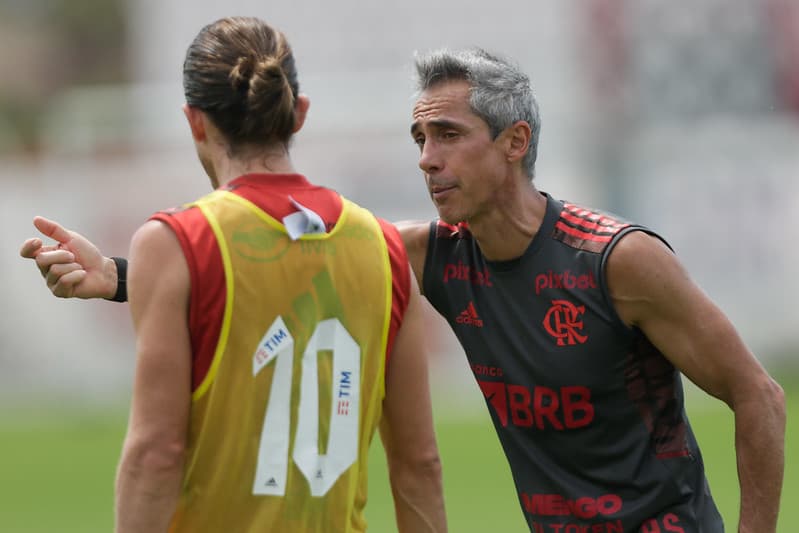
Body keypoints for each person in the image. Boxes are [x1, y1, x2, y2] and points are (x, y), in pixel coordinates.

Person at [20, 47, 786, 533]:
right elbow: (284, 266)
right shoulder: (425, 255)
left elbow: (760, 396)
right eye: (418, 138)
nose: (425, 158)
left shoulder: (617, 260)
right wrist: (120, 277)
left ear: (514, 143)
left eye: (447, 135)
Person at [20, 17, 447, 533]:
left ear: (195, 121)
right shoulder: (382, 247)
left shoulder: (177, 242)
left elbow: (157, 452)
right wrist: (120, 277)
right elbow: (418, 463)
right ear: (300, 114)